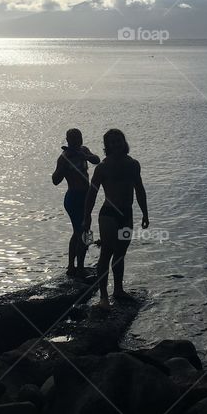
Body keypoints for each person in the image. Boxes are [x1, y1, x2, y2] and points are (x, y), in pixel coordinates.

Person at [84, 128, 149, 308]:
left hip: (126, 214)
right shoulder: (103, 167)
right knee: (106, 253)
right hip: (109, 215)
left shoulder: (133, 164)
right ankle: (103, 297)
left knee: (120, 254)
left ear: (124, 142)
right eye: (111, 142)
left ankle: (118, 290)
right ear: (107, 146)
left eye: (118, 141)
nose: (115, 144)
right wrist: (86, 216)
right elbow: (92, 193)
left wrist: (145, 213)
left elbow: (140, 190)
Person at [52, 128, 100, 278]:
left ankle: (77, 265)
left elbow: (96, 160)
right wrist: (64, 166)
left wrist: (84, 155)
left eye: (78, 138)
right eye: (72, 139)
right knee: (81, 231)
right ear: (67, 140)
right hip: (73, 197)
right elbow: (55, 180)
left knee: (85, 230)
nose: (76, 141)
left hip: (86, 197)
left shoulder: (84, 150)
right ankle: (75, 267)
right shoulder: (64, 157)